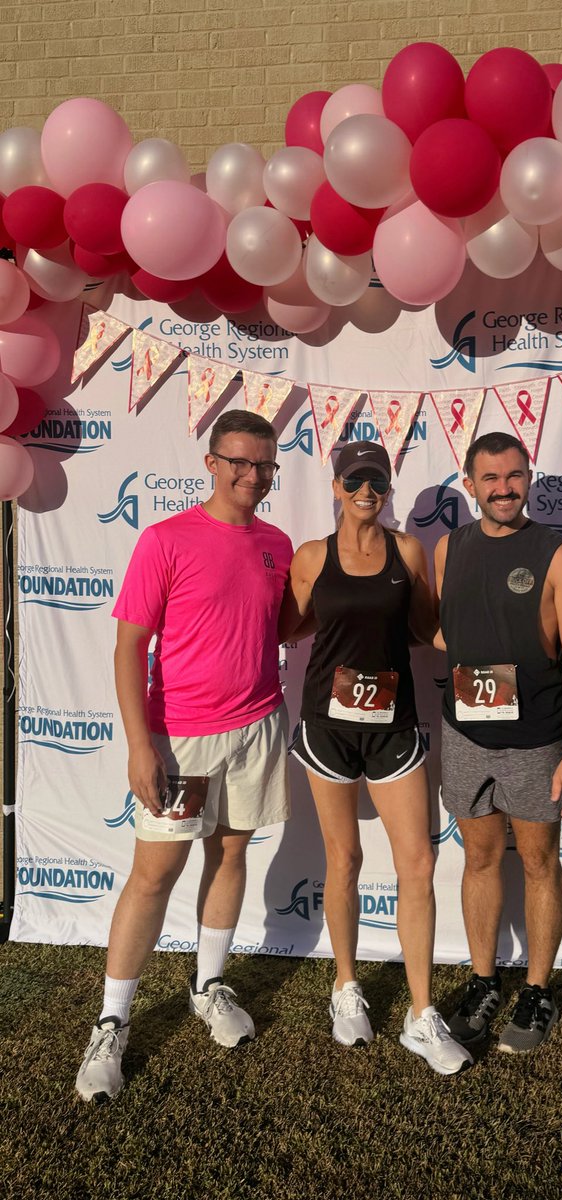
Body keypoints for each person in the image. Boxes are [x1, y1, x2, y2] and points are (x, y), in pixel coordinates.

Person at [75, 410, 293, 1102]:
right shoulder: (166, 539)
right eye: (239, 462)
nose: (252, 476)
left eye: (263, 465)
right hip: (181, 737)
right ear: (211, 461)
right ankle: (111, 1023)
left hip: (257, 726)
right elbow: (128, 647)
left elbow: (282, 624)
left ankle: (208, 985)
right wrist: (140, 745)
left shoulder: (278, 542)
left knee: (231, 854)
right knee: (152, 876)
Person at [280, 441, 471, 1076]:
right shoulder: (311, 557)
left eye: (378, 482)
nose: (369, 491)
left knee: (417, 861)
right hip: (327, 728)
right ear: (336, 486)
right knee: (345, 857)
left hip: (394, 727)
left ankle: (421, 1014)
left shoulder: (407, 551)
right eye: (357, 480)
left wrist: (503, 645)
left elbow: (425, 630)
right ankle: (346, 987)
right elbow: (286, 626)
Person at [434, 430, 562, 1054]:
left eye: (514, 476)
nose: (504, 489)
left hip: (537, 741)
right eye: (491, 479)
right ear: (469, 483)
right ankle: (482, 981)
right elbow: (447, 633)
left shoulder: (558, 555)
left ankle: (536, 990)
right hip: (465, 735)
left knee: (537, 861)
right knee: (478, 859)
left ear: (529, 477)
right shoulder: (448, 548)